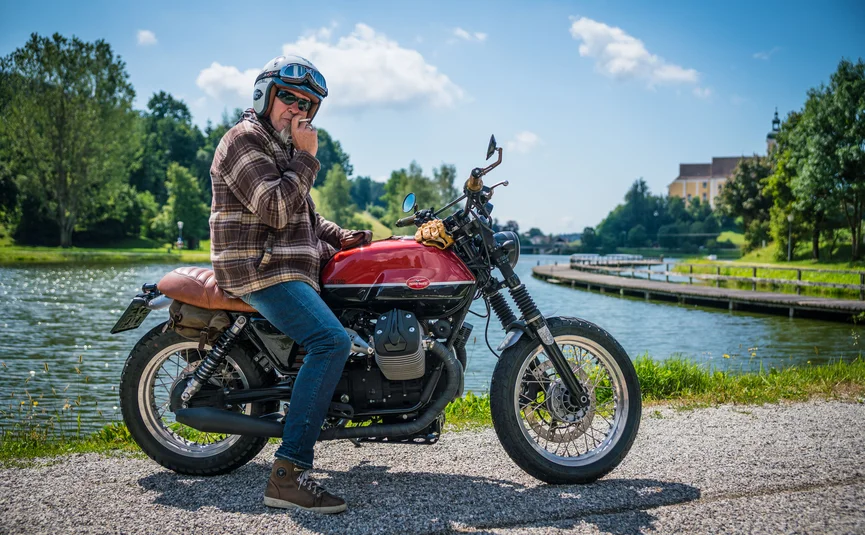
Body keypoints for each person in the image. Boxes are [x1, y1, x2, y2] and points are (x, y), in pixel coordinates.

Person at [209, 54, 371, 514]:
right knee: (330, 342)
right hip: (259, 269)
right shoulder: (244, 140)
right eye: (289, 99)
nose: (298, 111)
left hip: (284, 265)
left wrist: (346, 239)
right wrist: (307, 157)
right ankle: (287, 476)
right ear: (264, 95)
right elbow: (277, 208)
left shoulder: (280, 147)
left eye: (307, 105)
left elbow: (306, 216)